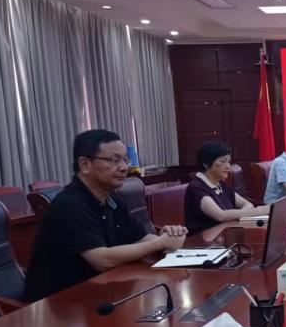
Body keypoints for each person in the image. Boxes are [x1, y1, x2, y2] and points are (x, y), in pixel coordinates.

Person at [23, 129, 187, 301]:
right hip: (59, 304)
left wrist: (169, 237)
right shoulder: (69, 205)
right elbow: (101, 260)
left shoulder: (114, 199)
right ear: (85, 165)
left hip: (102, 290)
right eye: (114, 160)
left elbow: (139, 237)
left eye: (125, 159)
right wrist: (160, 243)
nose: (124, 167)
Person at [184, 140, 266, 234]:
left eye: (229, 162)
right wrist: (260, 211)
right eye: (223, 161)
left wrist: (240, 214)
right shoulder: (196, 188)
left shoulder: (220, 184)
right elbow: (220, 215)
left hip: (225, 235)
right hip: (202, 241)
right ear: (206, 163)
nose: (228, 166)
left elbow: (247, 204)